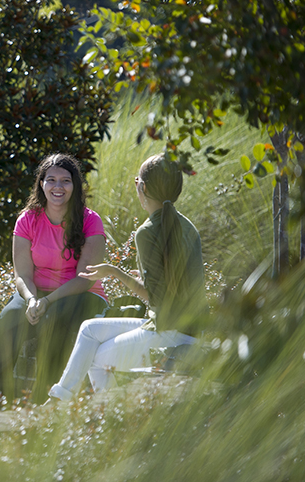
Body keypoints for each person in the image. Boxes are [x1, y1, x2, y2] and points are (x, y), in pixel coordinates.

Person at [47, 153, 206, 401]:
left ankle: (101, 415)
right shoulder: (188, 227)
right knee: (89, 330)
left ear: (141, 187)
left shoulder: (147, 232)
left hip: (169, 332)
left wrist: (115, 272)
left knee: (96, 357)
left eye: (136, 182)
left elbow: (158, 298)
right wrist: (139, 275)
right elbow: (175, 282)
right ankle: (64, 399)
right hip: (188, 328)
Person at [0, 153, 107, 406]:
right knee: (10, 317)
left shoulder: (90, 221)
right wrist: (31, 300)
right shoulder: (28, 219)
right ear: (41, 184)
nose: (58, 187)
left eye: (65, 181)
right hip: (36, 292)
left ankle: (46, 404)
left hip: (80, 295)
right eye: (51, 180)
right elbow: (22, 275)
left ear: (75, 185)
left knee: (55, 319)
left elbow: (85, 278)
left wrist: (48, 301)